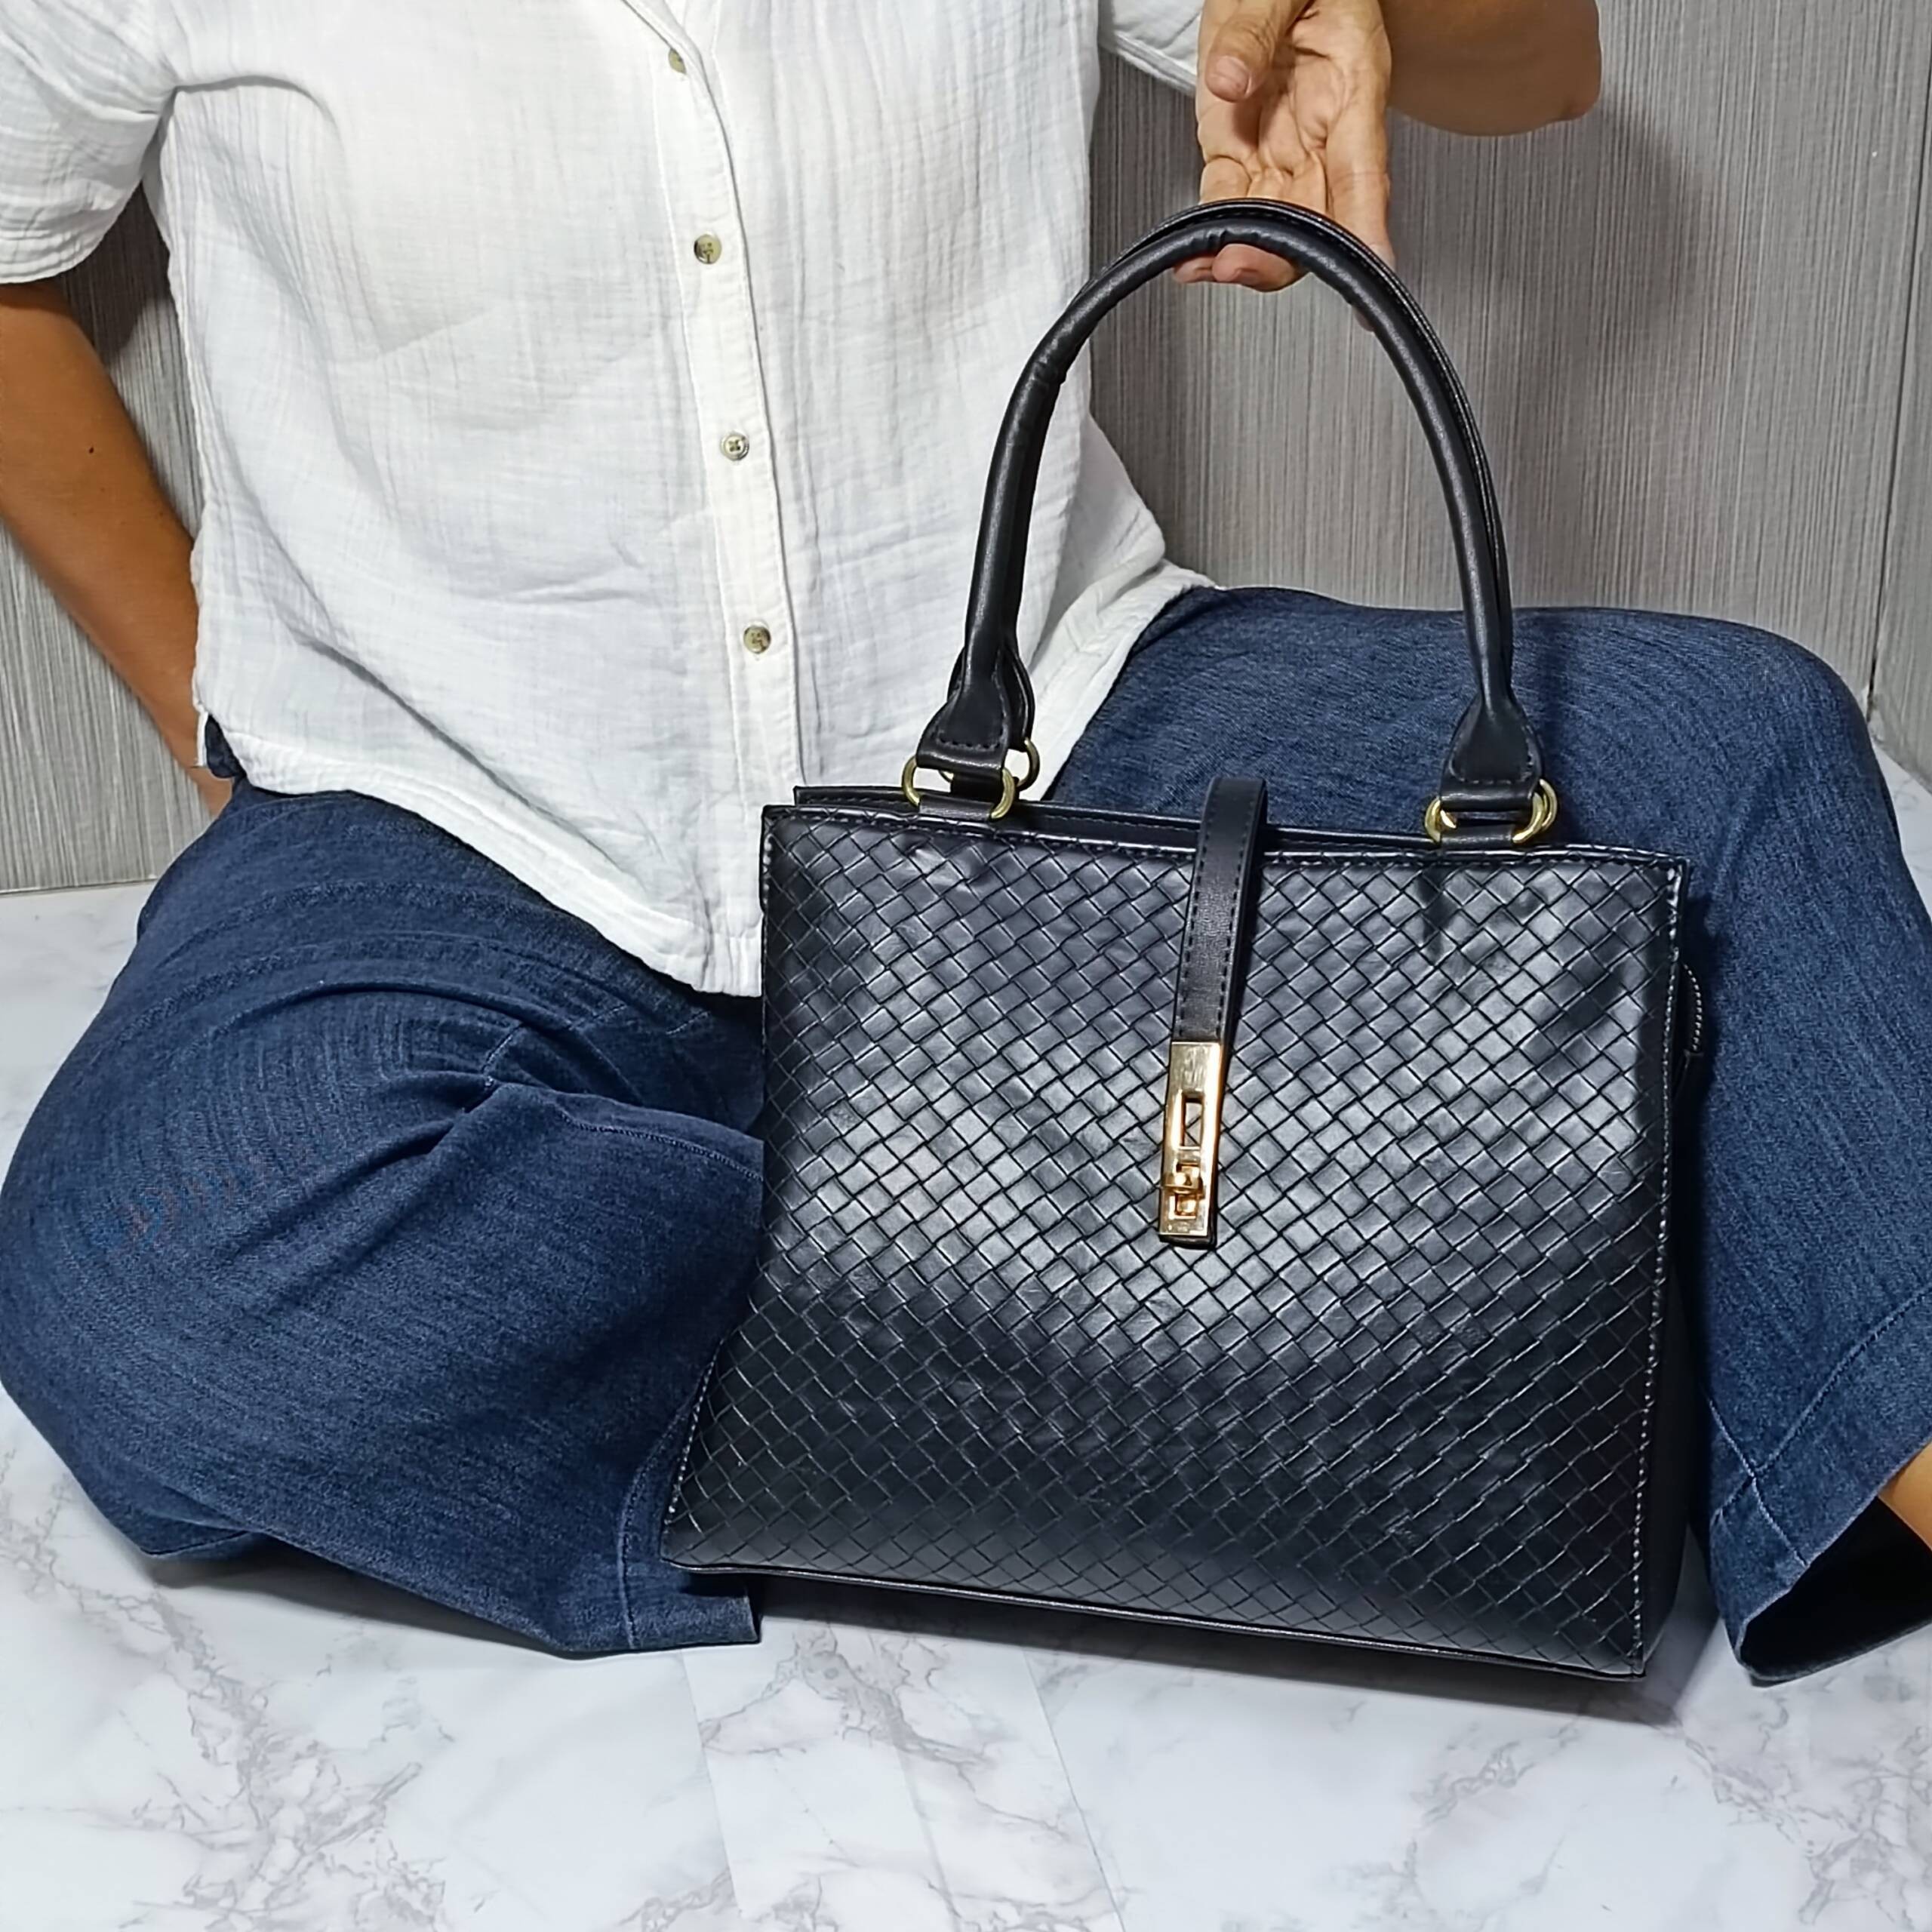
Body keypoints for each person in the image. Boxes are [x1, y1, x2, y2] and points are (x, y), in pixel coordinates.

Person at [0, 0, 1927, 1684]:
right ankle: (1392, 1351)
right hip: (455, 813)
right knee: (151, 1273)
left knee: (1727, 744)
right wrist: (202, 697)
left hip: (1056, 732)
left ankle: (1556, 1375)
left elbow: (1537, 64)